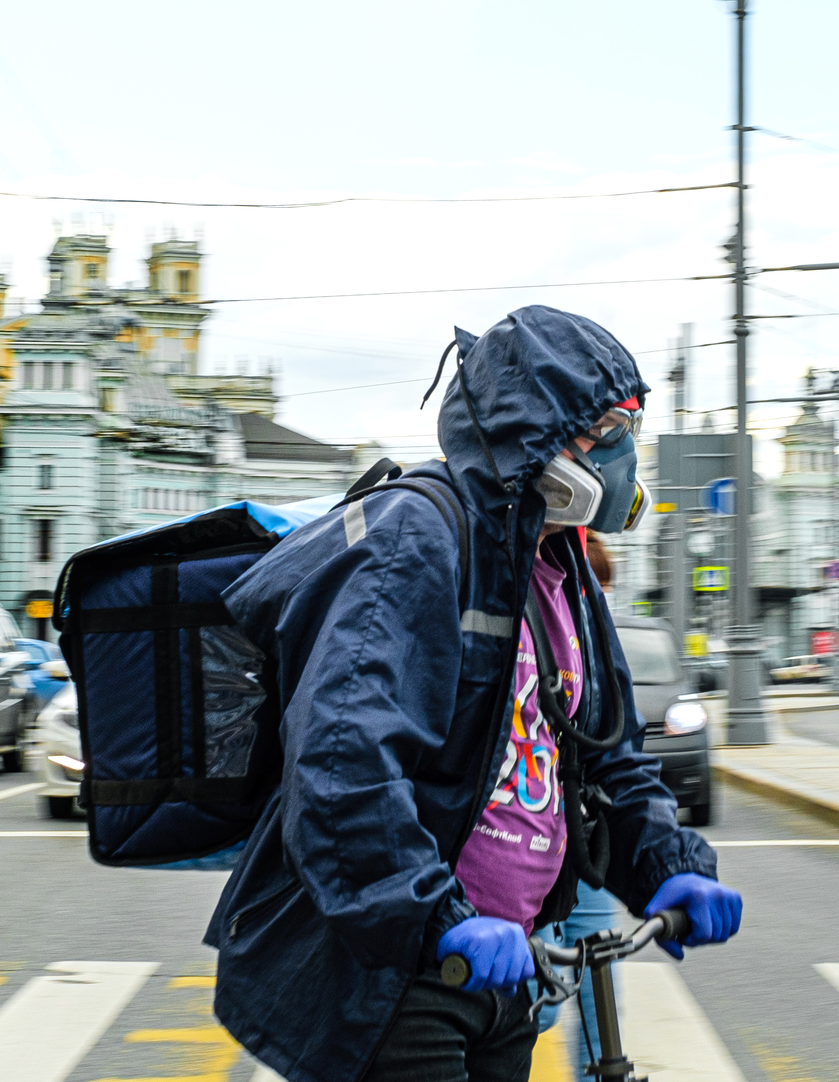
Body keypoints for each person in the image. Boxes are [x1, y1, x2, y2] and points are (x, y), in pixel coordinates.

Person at [209, 306, 741, 1082]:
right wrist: (432, 916)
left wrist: (666, 862)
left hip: (509, 966)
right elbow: (342, 761)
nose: (629, 451)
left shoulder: (564, 571)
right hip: (401, 974)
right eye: (611, 428)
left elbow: (607, 753)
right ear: (541, 436)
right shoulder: (416, 536)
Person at [535, 529, 630, 1074]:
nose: (600, 603)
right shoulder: (539, 633)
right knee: (538, 1004)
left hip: (585, 841)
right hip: (536, 840)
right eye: (596, 589)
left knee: (603, 985)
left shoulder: (595, 647)